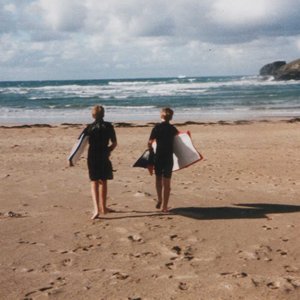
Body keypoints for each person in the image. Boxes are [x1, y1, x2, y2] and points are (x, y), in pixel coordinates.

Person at [83, 105, 117, 219]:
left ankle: (97, 209)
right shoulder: (109, 126)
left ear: (93, 115)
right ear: (104, 114)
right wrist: (109, 150)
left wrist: (72, 159)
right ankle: (104, 207)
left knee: (94, 181)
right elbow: (114, 143)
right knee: (104, 180)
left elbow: (80, 144)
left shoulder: (89, 127)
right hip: (104, 154)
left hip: (92, 155)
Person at [148, 107, 178, 213]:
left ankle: (159, 199)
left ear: (161, 116)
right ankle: (165, 207)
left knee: (158, 179)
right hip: (168, 158)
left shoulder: (156, 128)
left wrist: (150, 151)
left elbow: (150, 142)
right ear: (171, 117)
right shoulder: (173, 129)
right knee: (167, 183)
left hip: (158, 157)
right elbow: (178, 142)